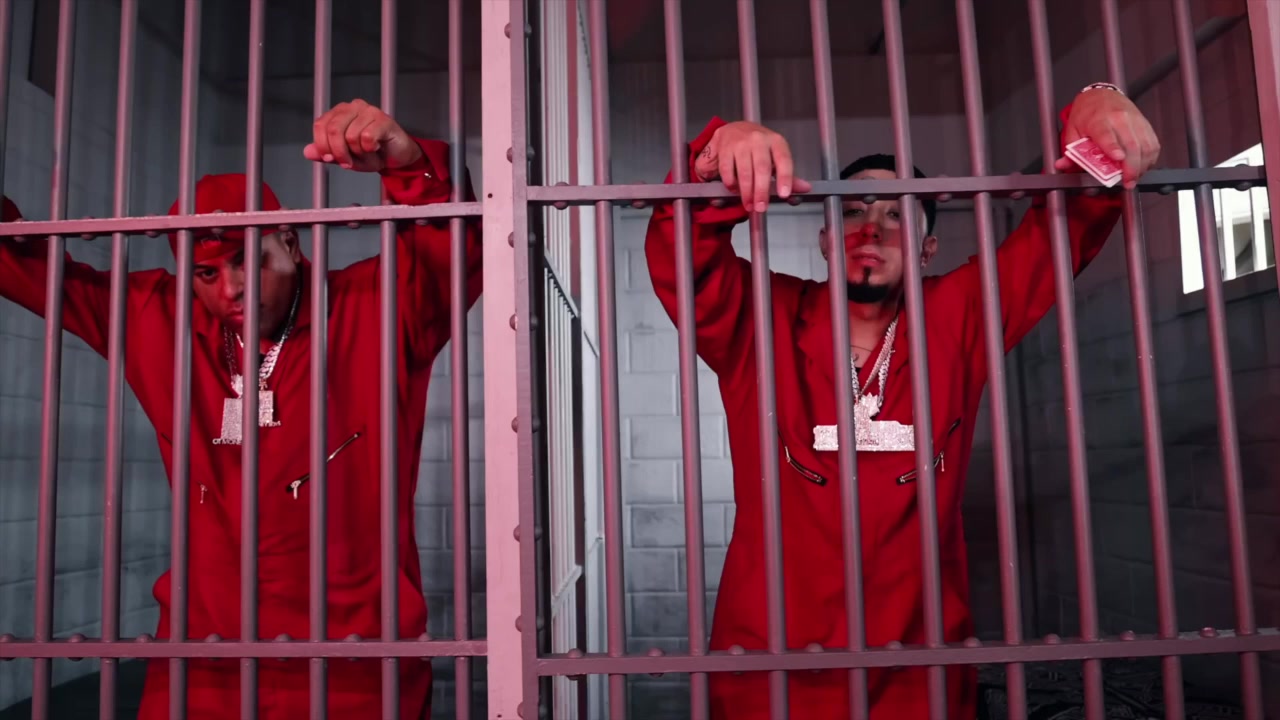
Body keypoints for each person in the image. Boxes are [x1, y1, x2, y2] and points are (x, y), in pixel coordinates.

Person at [645, 85, 1159, 718]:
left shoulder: (957, 316)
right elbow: (681, 254)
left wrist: (1097, 107)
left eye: (897, 215)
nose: (871, 227)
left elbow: (1063, 230)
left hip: (917, 664)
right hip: (771, 661)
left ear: (925, 248)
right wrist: (719, 156)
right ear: (826, 239)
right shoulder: (763, 319)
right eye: (853, 211)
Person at [0, 99, 482, 719]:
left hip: (357, 657)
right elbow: (28, 268)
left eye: (248, 261)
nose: (231, 290)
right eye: (205, 273)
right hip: (205, 656)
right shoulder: (157, 319)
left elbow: (453, 253)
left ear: (290, 241)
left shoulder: (376, 307)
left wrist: (411, 166)